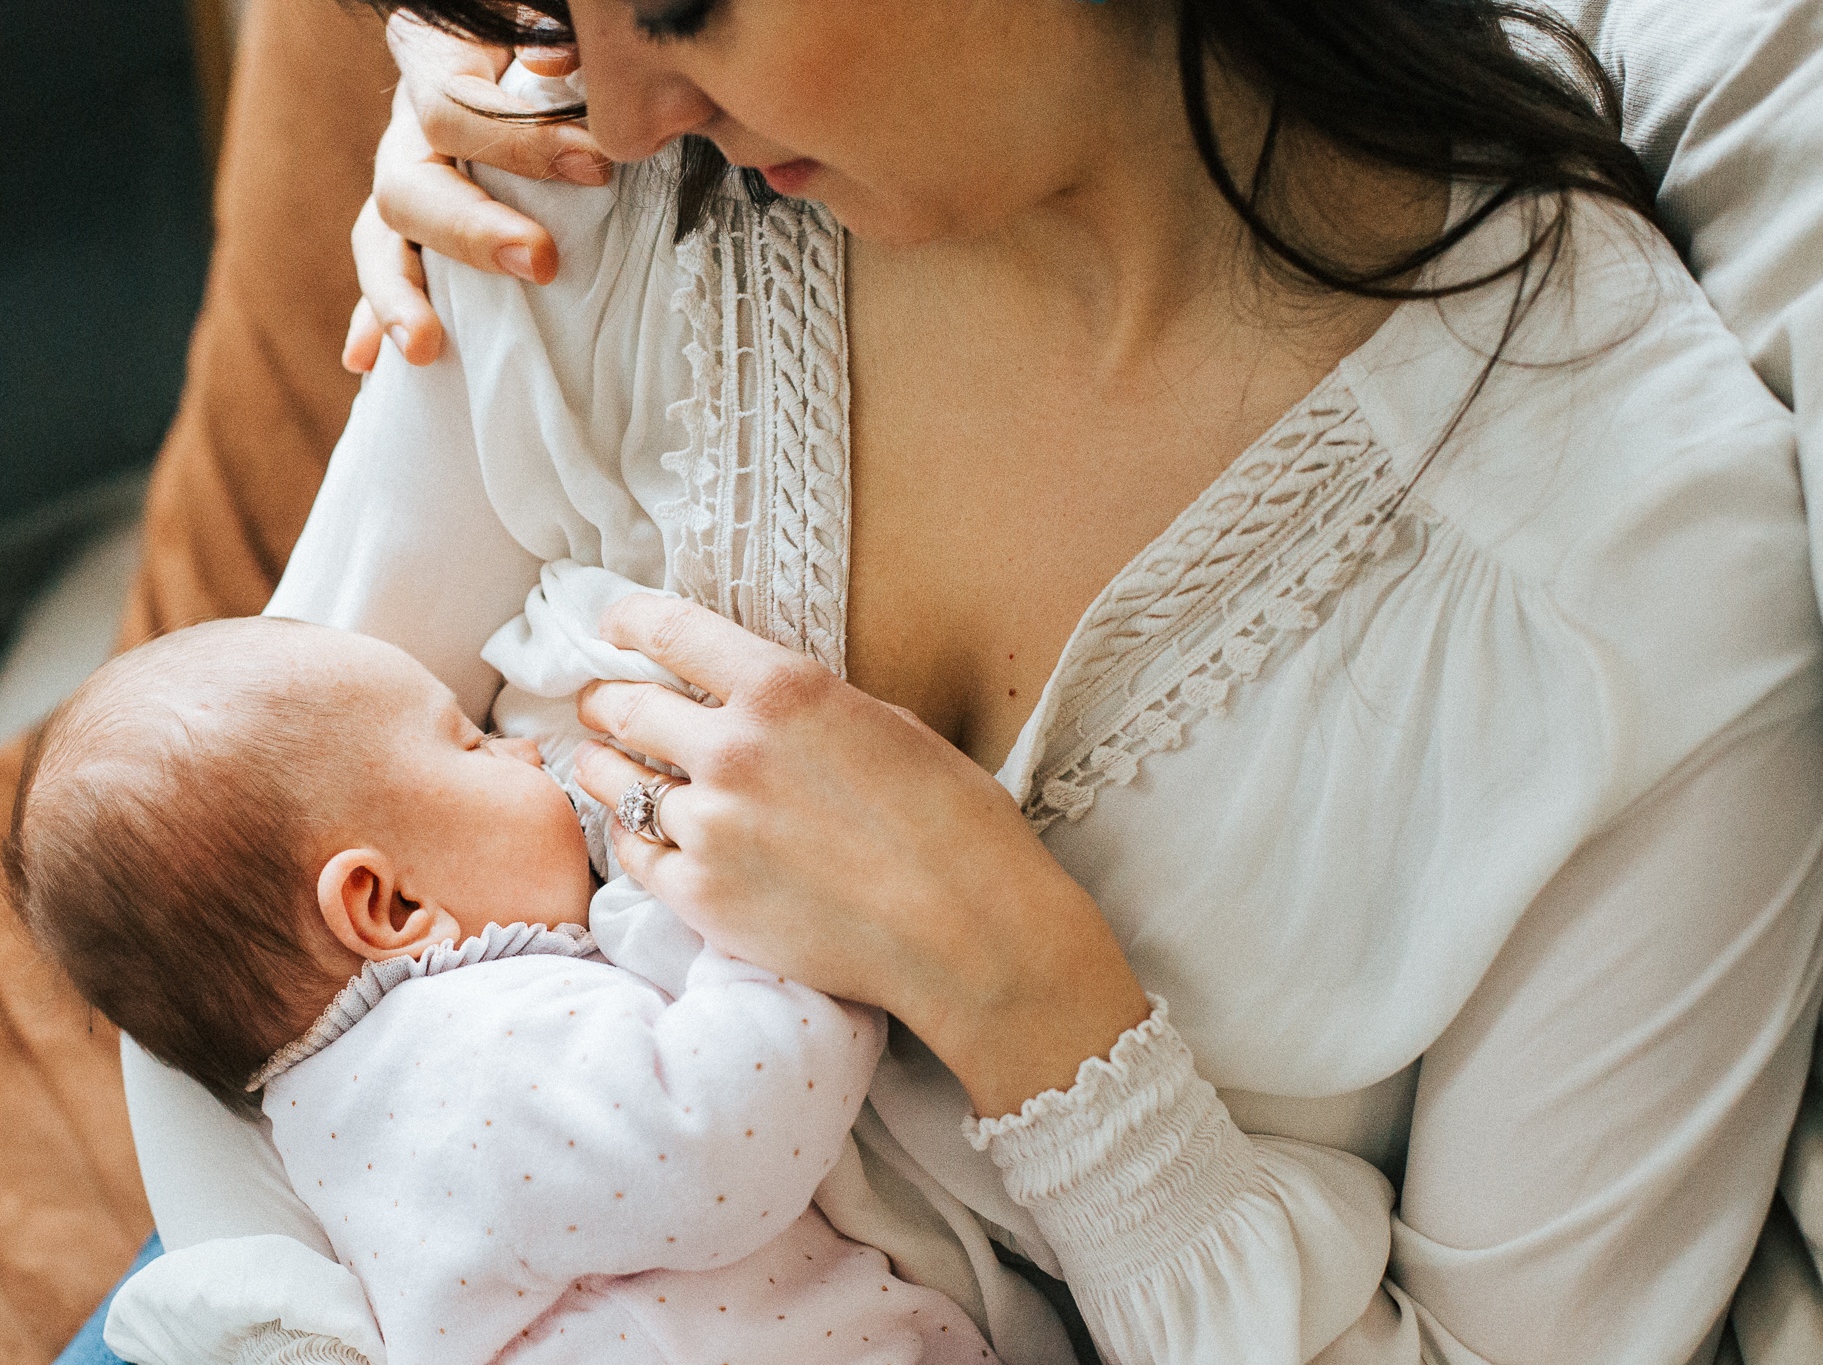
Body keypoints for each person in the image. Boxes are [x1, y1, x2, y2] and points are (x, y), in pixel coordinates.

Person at [117, 2, 1823, 1362]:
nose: (620, 109)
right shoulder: (576, 189)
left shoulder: (1628, 597)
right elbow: (216, 930)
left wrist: (1021, 989)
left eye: (685, 10)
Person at [5, 593, 995, 1365]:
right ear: (387, 909)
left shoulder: (341, 1111)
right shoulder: (463, 1051)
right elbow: (713, 1137)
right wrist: (791, 928)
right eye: (471, 744)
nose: (522, 745)